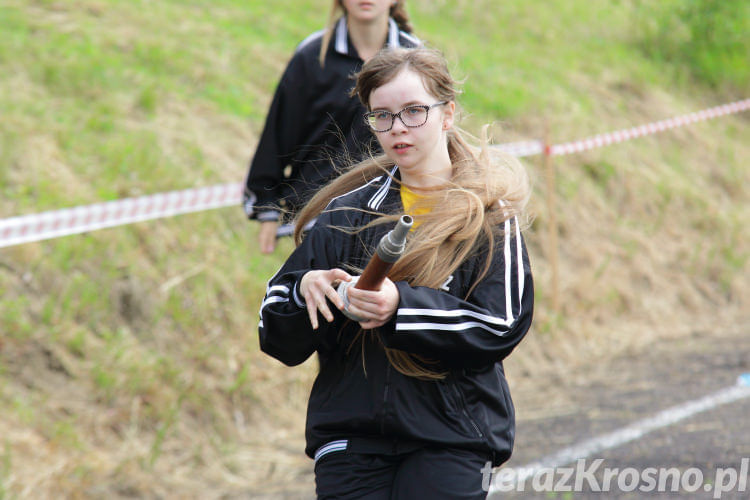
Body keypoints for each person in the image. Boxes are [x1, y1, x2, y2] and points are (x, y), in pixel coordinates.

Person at [258, 47, 534, 499]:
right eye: (381, 116)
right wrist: (303, 292)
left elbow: (501, 326)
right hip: (349, 440)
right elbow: (275, 337)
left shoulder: (489, 216)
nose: (397, 128)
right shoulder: (344, 213)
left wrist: (399, 308)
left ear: (447, 114)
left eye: (413, 111)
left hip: (451, 438)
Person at [243, 0, 420, 254]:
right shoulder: (312, 56)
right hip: (317, 217)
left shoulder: (416, 59)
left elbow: (434, 140)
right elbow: (278, 133)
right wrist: (266, 208)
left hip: (391, 218)